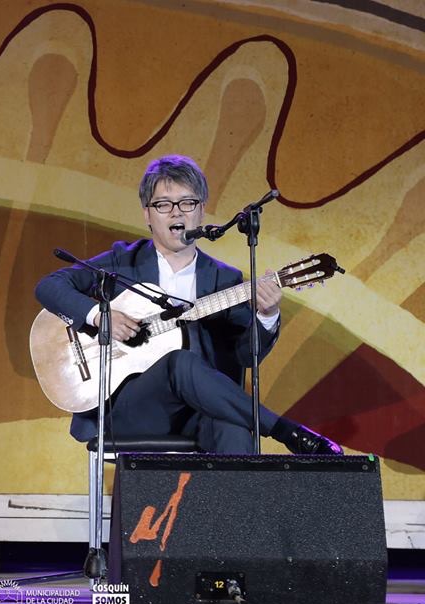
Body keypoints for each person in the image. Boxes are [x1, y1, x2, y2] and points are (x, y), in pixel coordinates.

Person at [35, 155, 342, 455]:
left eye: (187, 203)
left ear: (201, 212)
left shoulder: (224, 278)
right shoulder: (122, 261)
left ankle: (237, 508)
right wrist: (100, 317)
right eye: (163, 204)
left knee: (234, 431)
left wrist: (267, 315)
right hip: (129, 409)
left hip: (196, 413)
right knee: (179, 362)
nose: (176, 213)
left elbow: (246, 356)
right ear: (147, 214)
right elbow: (49, 286)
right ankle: (288, 432)